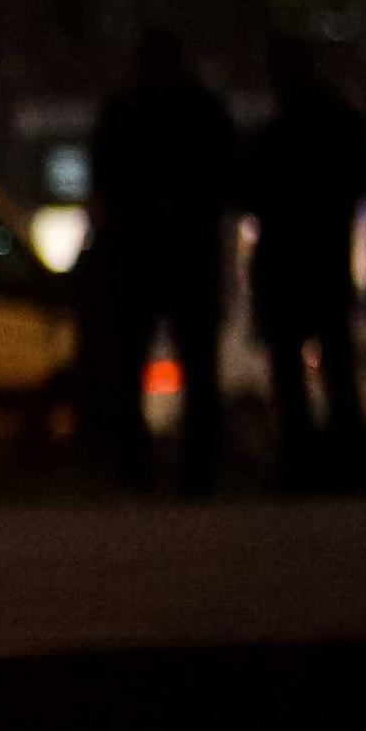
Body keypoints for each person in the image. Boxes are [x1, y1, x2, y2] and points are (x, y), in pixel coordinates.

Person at [91, 30, 241, 495]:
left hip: (142, 256)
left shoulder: (125, 112)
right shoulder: (200, 112)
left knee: (134, 363)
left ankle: (140, 467)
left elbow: (104, 183)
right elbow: (228, 179)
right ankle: (192, 469)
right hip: (183, 254)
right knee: (193, 365)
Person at [241, 35, 366, 487]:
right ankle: (344, 462)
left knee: (294, 374)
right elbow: (358, 181)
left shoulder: (276, 135)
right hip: (322, 263)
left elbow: (247, 194)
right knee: (335, 368)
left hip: (289, 268)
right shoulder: (336, 125)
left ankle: (306, 463)